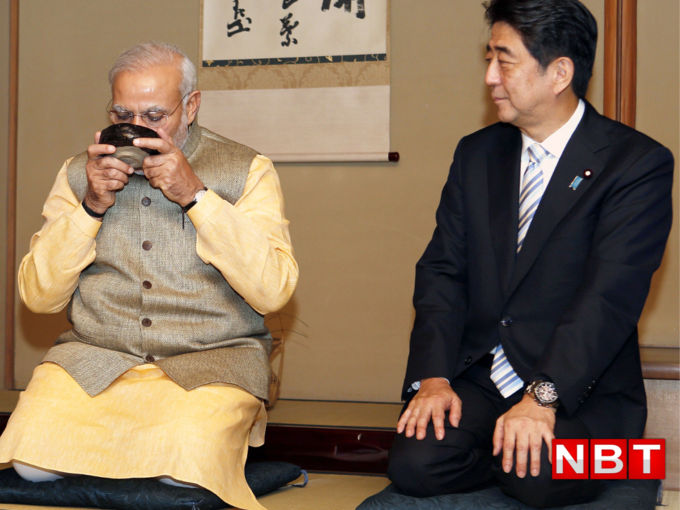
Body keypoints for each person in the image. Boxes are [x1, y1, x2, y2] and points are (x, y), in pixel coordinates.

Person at [387, 0, 673, 507]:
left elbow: (609, 299)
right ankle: (505, 449)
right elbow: (442, 272)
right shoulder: (478, 155)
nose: (490, 77)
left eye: (505, 60)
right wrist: (432, 377)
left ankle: (632, 461)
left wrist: (543, 398)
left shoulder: (636, 164)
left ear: (559, 72)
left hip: (579, 386)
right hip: (487, 377)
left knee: (535, 473)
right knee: (416, 464)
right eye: (488, 59)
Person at [0, 41, 298, 510]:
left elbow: (274, 289)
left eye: (155, 116)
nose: (136, 130)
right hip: (98, 356)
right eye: (123, 113)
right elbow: (38, 297)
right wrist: (90, 207)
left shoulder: (247, 169)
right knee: (30, 465)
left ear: (192, 106)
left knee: (182, 470)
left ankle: (200, 453)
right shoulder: (81, 173)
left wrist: (197, 196)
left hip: (210, 359)